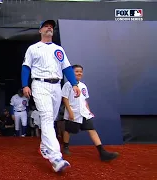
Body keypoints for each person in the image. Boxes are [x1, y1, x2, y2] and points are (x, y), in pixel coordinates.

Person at [21, 19, 81, 172]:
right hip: (40, 84)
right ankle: (55, 157)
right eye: (46, 26)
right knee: (47, 118)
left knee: (51, 119)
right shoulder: (33, 48)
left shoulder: (58, 49)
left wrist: (74, 83)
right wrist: (25, 85)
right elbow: (26, 67)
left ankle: (44, 147)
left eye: (51, 27)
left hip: (56, 86)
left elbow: (66, 67)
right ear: (40, 30)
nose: (49, 28)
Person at [61, 64, 119, 161]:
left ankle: (102, 152)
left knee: (92, 129)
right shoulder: (67, 85)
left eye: (81, 71)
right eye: (76, 71)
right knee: (68, 130)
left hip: (84, 113)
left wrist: (88, 111)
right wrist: (70, 112)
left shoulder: (83, 86)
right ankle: (65, 146)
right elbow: (65, 99)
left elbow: (85, 100)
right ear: (71, 73)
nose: (79, 73)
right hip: (73, 112)